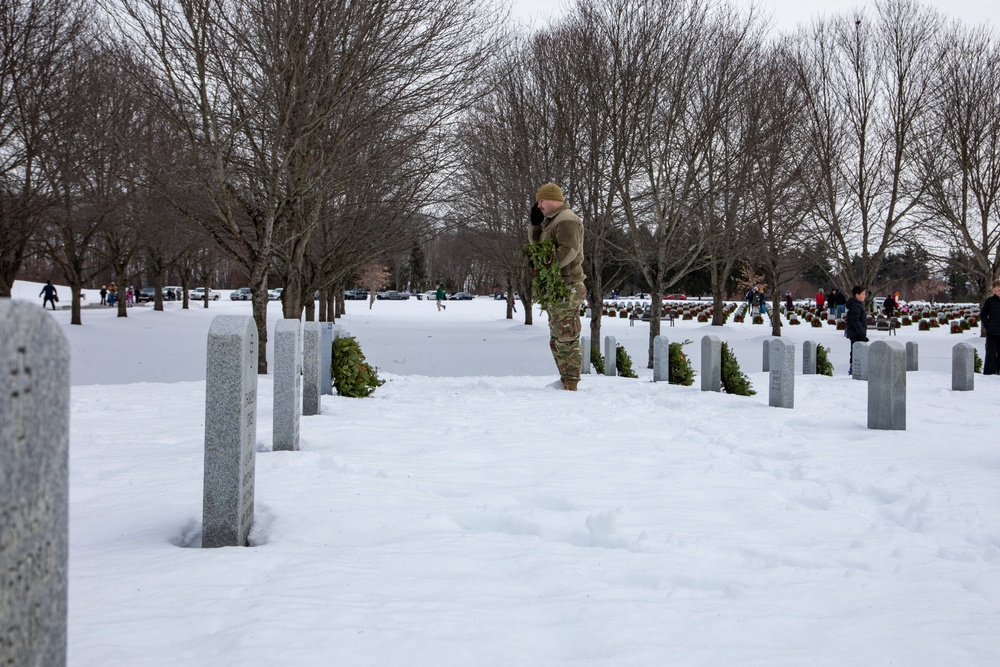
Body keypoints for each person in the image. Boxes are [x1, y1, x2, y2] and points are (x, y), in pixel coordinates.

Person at [529, 182, 586, 391]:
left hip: (568, 286)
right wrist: (535, 226)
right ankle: (565, 382)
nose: (538, 206)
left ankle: (571, 385)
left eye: (541, 201)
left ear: (552, 199)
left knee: (566, 338)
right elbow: (539, 247)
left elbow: (569, 250)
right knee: (558, 338)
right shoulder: (553, 221)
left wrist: (544, 265)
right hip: (558, 286)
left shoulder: (567, 219)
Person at [845, 285, 869, 374]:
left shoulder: (857, 305)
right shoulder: (855, 306)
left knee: (856, 350)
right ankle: (854, 369)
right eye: (863, 294)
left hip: (856, 333)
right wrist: (861, 333)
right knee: (856, 351)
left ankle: (855, 368)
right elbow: (855, 320)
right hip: (856, 333)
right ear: (857, 295)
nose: (865, 295)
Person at [981, 279, 1000, 375]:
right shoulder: (990, 301)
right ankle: (988, 374)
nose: (997, 293)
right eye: (995, 291)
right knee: (990, 355)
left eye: (999, 290)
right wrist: (987, 325)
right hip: (992, 332)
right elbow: (983, 314)